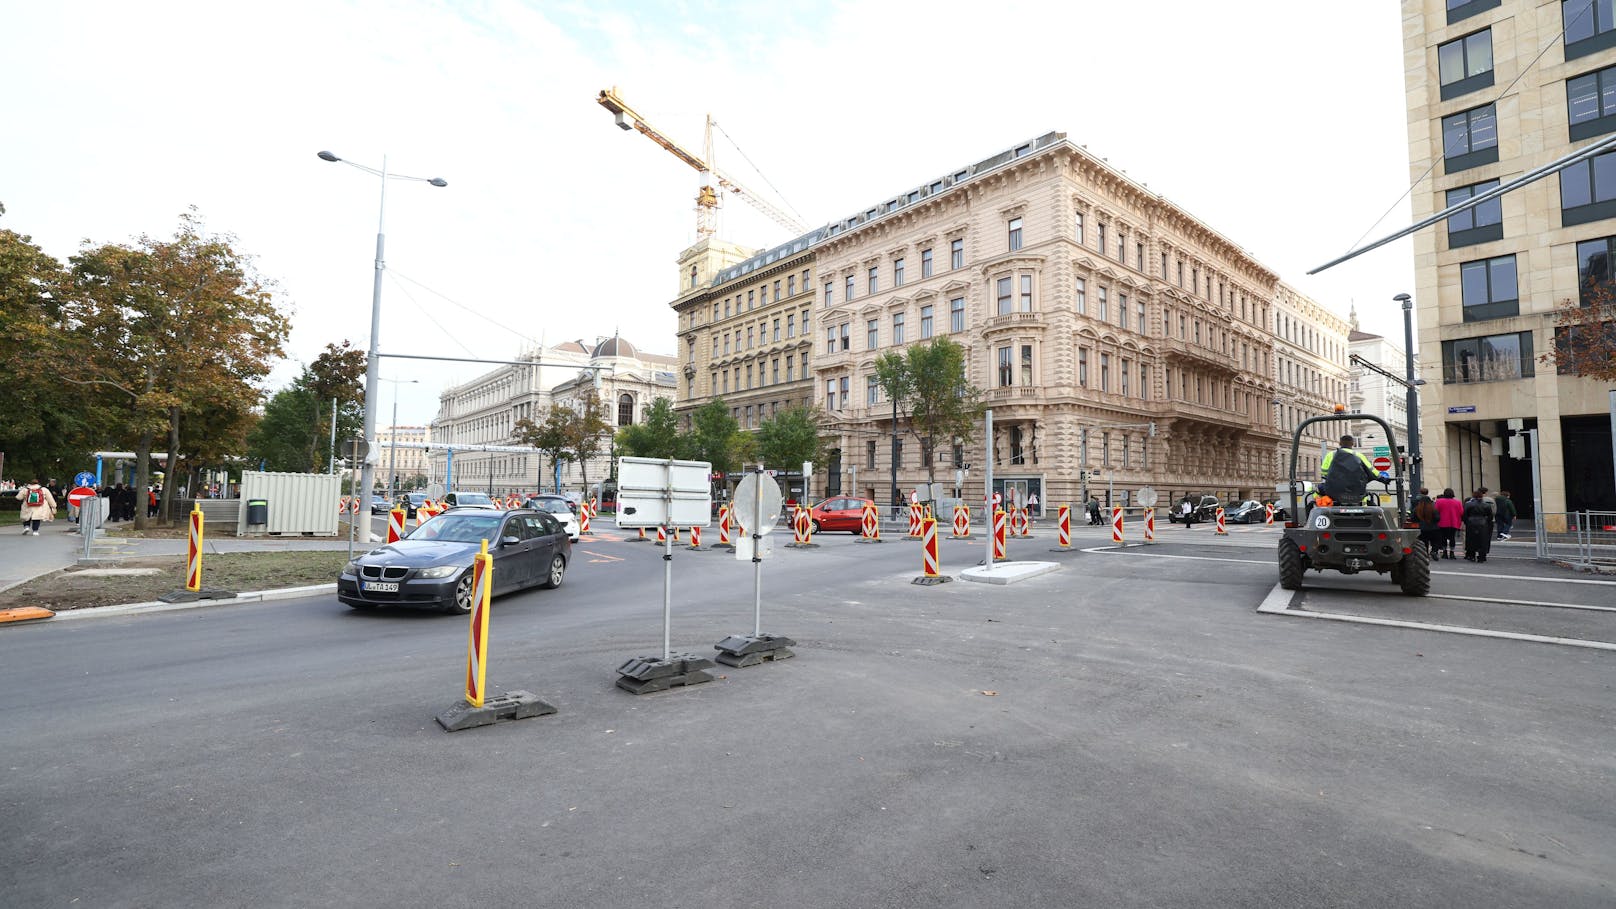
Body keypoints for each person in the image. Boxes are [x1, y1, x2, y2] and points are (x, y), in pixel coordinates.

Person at [1318, 435, 1381, 506]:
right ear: (1352, 444)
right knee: (1369, 502)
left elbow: (1324, 471)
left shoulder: (1330, 455)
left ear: (1340, 443)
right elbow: (1372, 471)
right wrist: (1382, 478)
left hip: (1334, 491)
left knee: (1318, 492)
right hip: (1356, 492)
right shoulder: (1359, 455)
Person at [1462, 489, 1495, 562]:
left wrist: (1467, 522)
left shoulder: (1468, 504)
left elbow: (1464, 515)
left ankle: (1471, 555)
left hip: (1471, 523)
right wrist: (1486, 522)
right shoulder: (1486, 505)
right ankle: (1481, 557)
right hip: (1483, 523)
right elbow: (1490, 516)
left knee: (1471, 539)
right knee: (1482, 540)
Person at [1411, 486, 1442, 559]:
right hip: (1433, 528)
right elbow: (1437, 518)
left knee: (1424, 542)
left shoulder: (1417, 509)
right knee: (1435, 541)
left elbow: (1413, 518)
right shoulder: (1433, 508)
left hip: (1422, 528)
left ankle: (1425, 553)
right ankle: (1434, 551)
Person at [1434, 488, 1463, 560]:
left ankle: (1444, 553)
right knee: (1452, 537)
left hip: (1442, 522)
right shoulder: (1458, 502)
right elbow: (1461, 512)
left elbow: (1435, 511)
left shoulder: (1439, 501)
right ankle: (1452, 553)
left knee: (1443, 538)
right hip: (1454, 522)